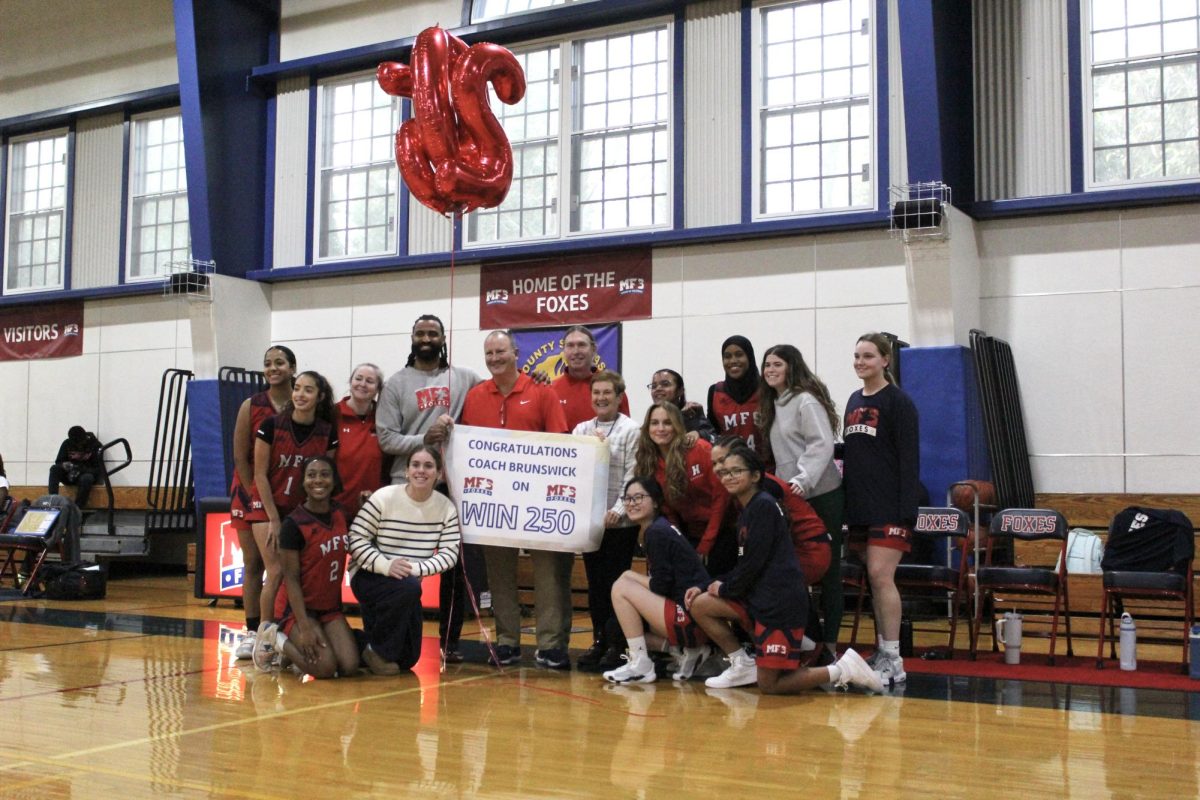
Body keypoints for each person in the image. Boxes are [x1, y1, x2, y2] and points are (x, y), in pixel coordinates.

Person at [685, 446, 881, 695]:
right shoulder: (749, 509)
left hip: (777, 604)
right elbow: (746, 564)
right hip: (760, 598)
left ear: (756, 476)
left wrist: (724, 587)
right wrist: (707, 586)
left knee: (770, 685)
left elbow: (754, 566)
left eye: (737, 471)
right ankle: (743, 661)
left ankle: (843, 669)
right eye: (724, 473)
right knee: (701, 604)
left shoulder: (764, 507)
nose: (728, 477)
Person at [450, 330, 572, 669]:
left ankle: (550, 645)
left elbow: (560, 446)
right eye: (489, 353)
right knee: (499, 575)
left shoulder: (542, 393)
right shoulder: (475, 396)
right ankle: (507, 642)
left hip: (538, 504)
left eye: (500, 351)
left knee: (548, 574)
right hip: (495, 506)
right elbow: (468, 449)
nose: (494, 358)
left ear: (515, 352)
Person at [376, 313, 482, 663]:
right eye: (420, 333)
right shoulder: (395, 384)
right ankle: (396, 639)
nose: (426, 338)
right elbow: (386, 438)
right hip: (405, 486)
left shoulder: (465, 378)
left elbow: (501, 394)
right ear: (412, 338)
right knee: (401, 567)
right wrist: (425, 438)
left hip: (451, 488)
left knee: (452, 566)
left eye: (432, 333)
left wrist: (535, 380)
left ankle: (449, 642)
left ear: (442, 338)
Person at [758, 343, 845, 662]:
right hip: (794, 497)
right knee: (796, 571)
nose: (770, 370)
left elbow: (822, 445)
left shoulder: (805, 401)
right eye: (766, 364)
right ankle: (806, 639)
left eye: (777, 364)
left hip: (822, 494)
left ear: (791, 367)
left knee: (830, 571)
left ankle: (832, 647)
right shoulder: (773, 403)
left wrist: (803, 480)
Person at [843, 333, 921, 687]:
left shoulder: (899, 402)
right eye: (857, 356)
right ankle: (881, 650)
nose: (861, 362)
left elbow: (909, 459)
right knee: (872, 580)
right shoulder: (852, 400)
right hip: (860, 505)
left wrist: (908, 511)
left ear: (886, 360)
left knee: (880, 574)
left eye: (869, 356)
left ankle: (894, 657)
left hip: (890, 505)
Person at [249, 370, 339, 670]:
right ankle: (265, 632)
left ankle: (290, 637)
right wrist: (275, 518)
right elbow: (259, 474)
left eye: (308, 390)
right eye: (297, 388)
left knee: (298, 576)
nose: (300, 394)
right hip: (268, 507)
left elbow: (325, 476)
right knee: (275, 571)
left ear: (320, 396)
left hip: (302, 512)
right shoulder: (271, 425)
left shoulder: (327, 432)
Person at [713, 434, 831, 658]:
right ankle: (800, 645)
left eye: (722, 461)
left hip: (809, 547)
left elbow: (776, 535)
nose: (718, 468)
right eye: (715, 464)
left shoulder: (763, 489)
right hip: (798, 547)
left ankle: (811, 649)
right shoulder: (741, 489)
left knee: (769, 583)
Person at [349, 446, 461, 675]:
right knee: (408, 588)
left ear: (439, 474)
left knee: (408, 659)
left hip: (407, 582)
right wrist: (385, 565)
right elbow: (356, 538)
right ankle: (377, 653)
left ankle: (357, 642)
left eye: (428, 466)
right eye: (416, 465)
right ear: (406, 471)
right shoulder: (384, 497)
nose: (421, 471)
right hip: (368, 575)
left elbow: (451, 553)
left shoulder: (445, 508)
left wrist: (414, 568)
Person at [601, 477, 712, 684]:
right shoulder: (658, 528)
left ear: (656, 502)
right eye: (627, 499)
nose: (632, 503)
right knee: (618, 624)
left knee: (621, 587)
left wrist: (630, 575)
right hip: (692, 620)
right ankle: (684, 651)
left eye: (639, 497)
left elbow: (661, 585)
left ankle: (641, 665)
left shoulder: (657, 532)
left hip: (689, 618)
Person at [230, 345, 297, 660]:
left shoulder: (301, 402)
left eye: (279, 362)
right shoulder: (251, 405)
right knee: (253, 564)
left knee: (283, 567)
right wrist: (253, 495)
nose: (273, 368)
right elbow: (240, 456)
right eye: (268, 363)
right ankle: (252, 631)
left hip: (283, 492)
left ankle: (281, 628)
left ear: (292, 367)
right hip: (249, 491)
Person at [571, 370, 640, 670]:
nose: (601, 398)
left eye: (607, 393)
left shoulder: (630, 430)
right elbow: (573, 470)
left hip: (619, 524)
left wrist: (619, 509)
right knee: (596, 586)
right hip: (591, 524)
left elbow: (632, 475)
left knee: (616, 585)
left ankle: (618, 644)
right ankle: (599, 640)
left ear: (619, 397)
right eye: (596, 393)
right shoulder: (581, 429)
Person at [269, 455, 360, 678]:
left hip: (329, 608)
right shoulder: (293, 524)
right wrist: (305, 627)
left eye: (324, 474)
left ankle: (305, 646)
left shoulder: (341, 514)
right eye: (311, 475)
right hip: (297, 610)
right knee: (325, 669)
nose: (318, 480)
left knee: (349, 666)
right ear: (302, 482)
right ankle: (276, 640)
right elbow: (291, 579)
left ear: (334, 480)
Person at [633, 402, 733, 575]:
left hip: (724, 530)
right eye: (655, 423)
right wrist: (679, 544)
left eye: (667, 422)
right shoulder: (649, 462)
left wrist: (706, 544)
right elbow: (667, 511)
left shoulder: (699, 448)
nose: (661, 428)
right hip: (690, 534)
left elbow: (721, 498)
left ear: (677, 426)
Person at [334, 363, 387, 520]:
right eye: (358, 379)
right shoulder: (333, 414)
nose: (363, 384)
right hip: (337, 508)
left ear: (378, 389)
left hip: (376, 509)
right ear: (351, 382)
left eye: (370, 381)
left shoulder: (385, 417)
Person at [552, 325, 630, 428]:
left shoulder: (612, 387)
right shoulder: (551, 389)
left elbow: (625, 429)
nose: (576, 351)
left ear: (594, 349)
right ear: (564, 350)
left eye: (582, 345)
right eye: (570, 345)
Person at [706, 336, 762, 451]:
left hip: (767, 467)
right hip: (730, 467)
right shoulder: (715, 391)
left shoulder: (767, 389)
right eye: (727, 356)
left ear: (749, 357)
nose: (732, 361)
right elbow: (712, 433)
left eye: (739, 354)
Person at [647, 369, 715, 441]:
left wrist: (699, 434)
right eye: (654, 386)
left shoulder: (691, 413)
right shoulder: (650, 417)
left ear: (680, 391)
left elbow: (714, 439)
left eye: (665, 384)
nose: (658, 389)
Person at [48, 425, 104, 508]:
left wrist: (80, 463)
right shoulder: (67, 443)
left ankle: (78, 507)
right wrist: (64, 465)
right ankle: (52, 501)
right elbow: (58, 462)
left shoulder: (95, 446)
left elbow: (98, 470)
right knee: (54, 469)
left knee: (87, 478)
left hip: (85, 474)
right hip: (70, 474)